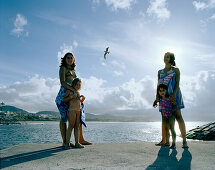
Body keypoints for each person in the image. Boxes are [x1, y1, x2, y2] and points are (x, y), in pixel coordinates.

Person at [55, 52, 92, 148]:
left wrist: (77, 93)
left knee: (78, 116)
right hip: (64, 95)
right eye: (68, 58)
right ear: (65, 59)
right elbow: (62, 82)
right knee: (63, 118)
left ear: (74, 60)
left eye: (71, 58)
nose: (70, 59)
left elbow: (75, 84)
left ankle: (80, 139)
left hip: (73, 96)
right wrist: (73, 91)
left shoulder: (73, 71)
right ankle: (65, 141)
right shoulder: (63, 68)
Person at [153, 52, 188, 148]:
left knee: (178, 117)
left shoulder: (175, 70)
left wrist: (174, 94)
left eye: (167, 57)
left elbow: (177, 83)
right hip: (163, 97)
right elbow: (158, 85)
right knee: (164, 118)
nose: (165, 58)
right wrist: (157, 96)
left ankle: (184, 141)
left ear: (171, 58)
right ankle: (164, 140)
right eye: (164, 56)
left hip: (175, 96)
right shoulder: (160, 72)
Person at [63, 78, 85, 149]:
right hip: (72, 110)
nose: (78, 86)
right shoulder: (70, 91)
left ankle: (77, 143)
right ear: (73, 84)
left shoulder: (78, 92)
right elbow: (64, 99)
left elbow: (78, 102)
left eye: (79, 85)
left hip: (78, 111)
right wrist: (71, 97)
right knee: (71, 126)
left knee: (76, 127)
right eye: (77, 84)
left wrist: (82, 100)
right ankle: (67, 143)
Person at [153, 84, 176, 149]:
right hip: (164, 115)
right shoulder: (160, 99)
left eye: (163, 90)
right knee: (166, 129)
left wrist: (173, 112)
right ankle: (167, 142)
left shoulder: (169, 97)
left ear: (166, 91)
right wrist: (154, 103)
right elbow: (156, 103)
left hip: (171, 115)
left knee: (172, 128)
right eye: (160, 91)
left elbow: (175, 105)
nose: (162, 92)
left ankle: (174, 144)